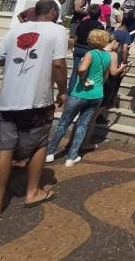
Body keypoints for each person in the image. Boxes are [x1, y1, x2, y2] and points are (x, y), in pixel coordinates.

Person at [0, 0, 67, 220]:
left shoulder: (16, 29)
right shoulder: (58, 30)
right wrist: (63, 90)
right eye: (57, 11)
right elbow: (58, 63)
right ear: (52, 12)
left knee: (4, 149)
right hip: (36, 100)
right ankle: (32, 192)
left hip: (7, 100)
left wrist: (15, 60)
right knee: (39, 144)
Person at [45, 29, 115, 167]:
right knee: (83, 125)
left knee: (64, 123)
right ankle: (72, 156)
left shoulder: (90, 53)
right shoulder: (108, 56)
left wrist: (83, 78)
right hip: (97, 94)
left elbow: (82, 69)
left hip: (80, 93)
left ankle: (50, 152)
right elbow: (105, 77)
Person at [69, 4, 104, 94]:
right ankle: (82, 92)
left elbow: (76, 36)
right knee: (88, 72)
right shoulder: (99, 26)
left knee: (75, 72)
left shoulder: (82, 23)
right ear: (99, 14)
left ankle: (70, 92)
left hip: (78, 48)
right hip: (89, 50)